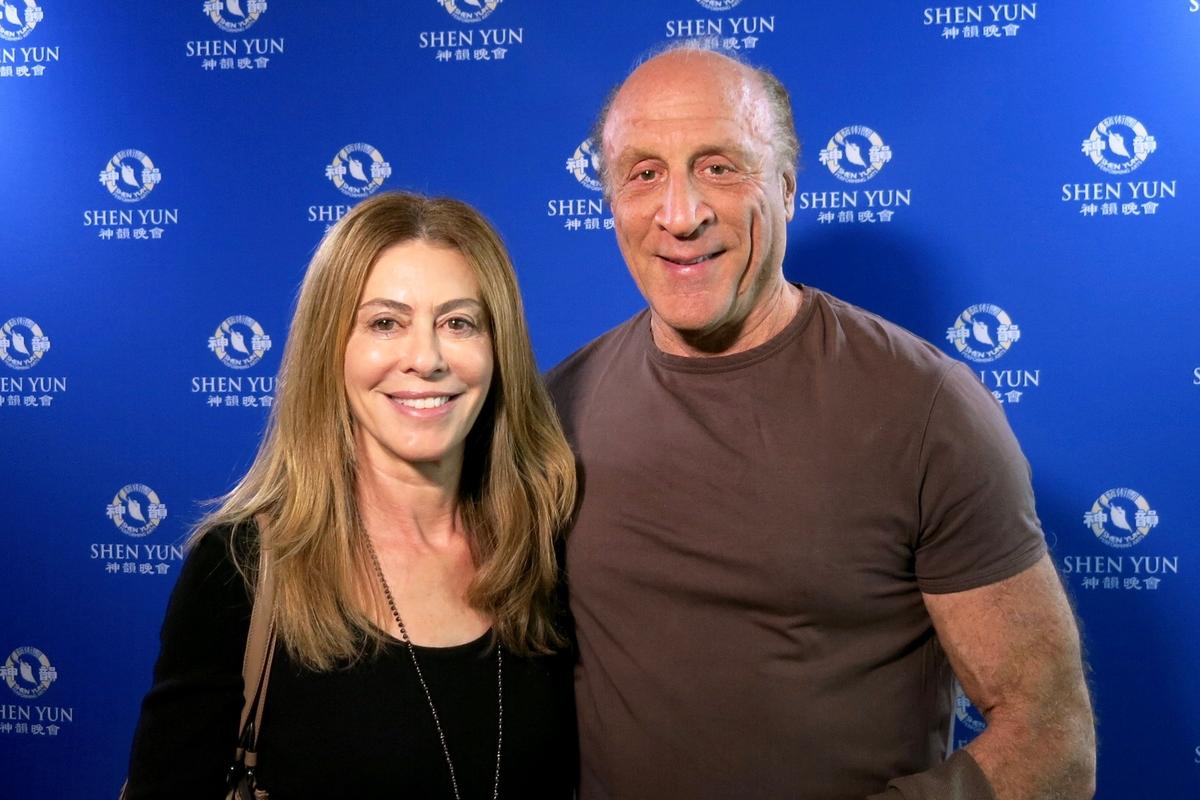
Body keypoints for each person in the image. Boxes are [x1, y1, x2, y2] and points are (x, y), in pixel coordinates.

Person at [547, 45, 1095, 799]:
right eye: (644, 174)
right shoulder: (553, 410)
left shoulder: (927, 407)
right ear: (611, 201)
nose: (680, 214)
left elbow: (1053, 740)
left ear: (787, 189)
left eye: (719, 167)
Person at [125, 192, 578, 798]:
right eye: (385, 322)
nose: (426, 358)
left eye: (459, 322)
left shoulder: (546, 550)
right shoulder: (243, 569)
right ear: (330, 349)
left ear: (500, 352)